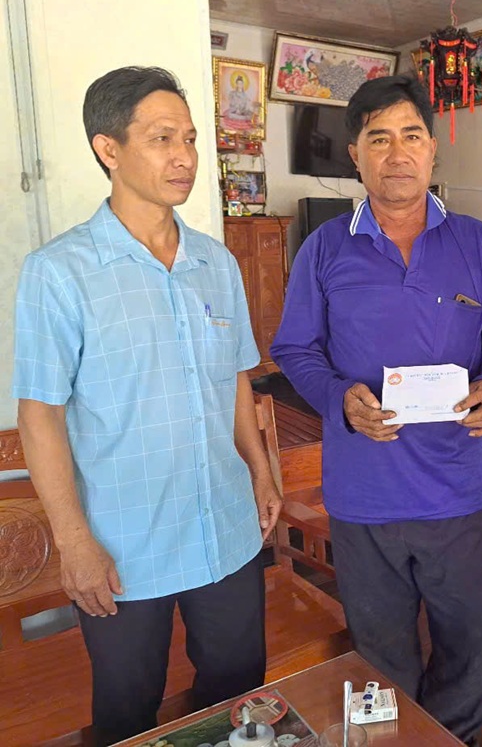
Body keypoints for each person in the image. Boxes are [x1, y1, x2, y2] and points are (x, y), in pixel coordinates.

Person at [12, 66, 281, 746]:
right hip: (124, 547)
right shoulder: (60, 273)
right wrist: (74, 541)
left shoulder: (215, 262)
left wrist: (260, 471)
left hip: (225, 528)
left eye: (189, 138)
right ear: (108, 149)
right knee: (128, 714)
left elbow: (235, 379)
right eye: (162, 139)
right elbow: (41, 416)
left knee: (239, 698)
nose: (184, 156)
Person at [269, 74, 482, 745]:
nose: (397, 153)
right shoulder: (325, 248)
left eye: (412, 135)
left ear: (433, 150)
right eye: (378, 138)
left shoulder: (476, 241)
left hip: (457, 488)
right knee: (380, 660)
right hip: (365, 494)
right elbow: (295, 347)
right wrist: (337, 397)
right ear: (355, 155)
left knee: (468, 650)